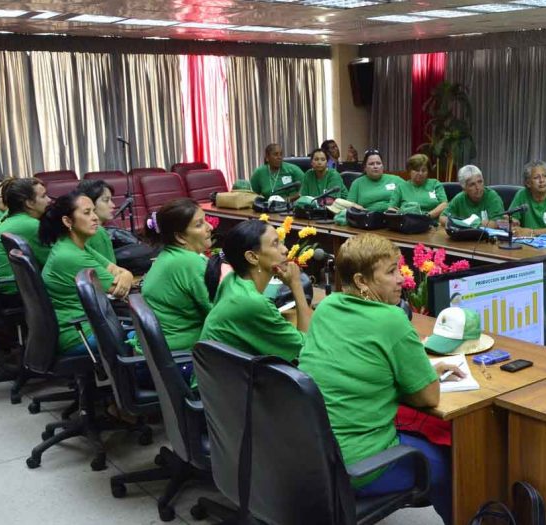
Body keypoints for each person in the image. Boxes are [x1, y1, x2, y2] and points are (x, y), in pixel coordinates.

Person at [297, 233, 464, 525]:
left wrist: (418, 370)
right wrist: (421, 375)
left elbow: (354, 365)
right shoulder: (391, 320)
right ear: (362, 281)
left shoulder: (326, 307)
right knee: (457, 464)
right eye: (390, 272)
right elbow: (428, 397)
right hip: (359, 464)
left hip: (314, 456)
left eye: (398, 269)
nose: (400, 279)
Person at [200, 219, 311, 363]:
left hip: (218, 379)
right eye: (275, 244)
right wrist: (296, 285)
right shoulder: (252, 302)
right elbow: (304, 348)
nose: (285, 250)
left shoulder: (232, 280)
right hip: (228, 383)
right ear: (252, 257)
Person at [38, 192, 134, 355]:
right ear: (67, 221)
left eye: (94, 211)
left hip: (88, 325)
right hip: (80, 335)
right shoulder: (70, 256)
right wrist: (126, 277)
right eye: (87, 213)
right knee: (154, 335)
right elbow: (118, 288)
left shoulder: (75, 245)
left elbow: (116, 270)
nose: (95, 217)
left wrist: (127, 275)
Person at [139, 198, 214, 356]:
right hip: (181, 357)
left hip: (158, 354)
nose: (210, 227)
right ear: (180, 237)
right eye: (199, 224)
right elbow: (218, 312)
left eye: (206, 221)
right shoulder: (189, 262)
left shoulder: (168, 256)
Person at [0, 178, 52, 295]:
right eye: (43, 196)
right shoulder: (31, 225)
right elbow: (53, 261)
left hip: (0, 289)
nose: (49, 200)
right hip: (15, 291)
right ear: (29, 203)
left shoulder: (7, 219)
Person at [439, 165, 505, 228]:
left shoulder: (492, 197)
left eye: (480, 182)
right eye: (472, 184)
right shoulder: (460, 198)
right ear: (464, 188)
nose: (478, 187)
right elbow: (442, 218)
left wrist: (467, 223)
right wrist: (463, 223)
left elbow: (498, 223)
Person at [388, 154, 447, 219]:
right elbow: (391, 208)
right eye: (417, 170)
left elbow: (444, 204)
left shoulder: (435, 183)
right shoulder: (401, 187)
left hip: (432, 222)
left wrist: (427, 216)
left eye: (424, 170)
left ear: (428, 171)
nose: (420, 173)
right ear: (409, 171)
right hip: (408, 223)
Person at [78, 179, 117, 264]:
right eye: (106, 200)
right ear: (90, 203)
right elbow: (111, 272)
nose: (113, 205)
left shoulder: (78, 228)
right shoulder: (97, 231)